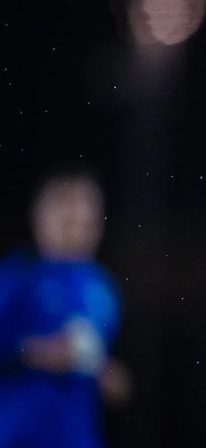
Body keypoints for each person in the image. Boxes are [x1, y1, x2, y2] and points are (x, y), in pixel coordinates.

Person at [0, 164, 131, 448]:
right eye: (67, 216)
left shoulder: (103, 289)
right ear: (40, 218)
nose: (78, 228)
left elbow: (97, 363)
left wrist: (108, 376)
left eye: (86, 220)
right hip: (17, 436)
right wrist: (33, 353)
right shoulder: (15, 279)